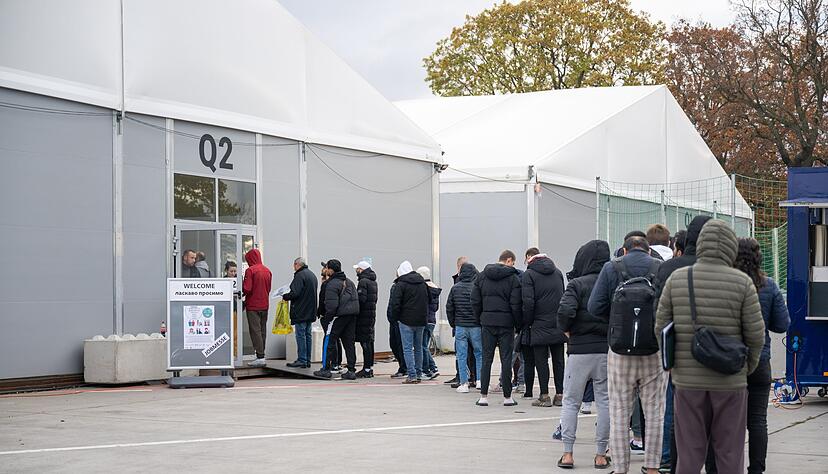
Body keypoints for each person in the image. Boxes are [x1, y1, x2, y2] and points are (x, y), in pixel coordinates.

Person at [655, 220, 765, 474]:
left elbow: (661, 327)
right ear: (730, 247)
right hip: (730, 382)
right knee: (729, 453)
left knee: (689, 454)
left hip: (687, 383)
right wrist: (746, 367)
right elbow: (756, 334)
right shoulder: (743, 283)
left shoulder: (678, 279)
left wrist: (672, 365)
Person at [704, 237, 790, 474]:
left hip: (727, 361)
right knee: (757, 420)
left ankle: (715, 468)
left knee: (720, 421)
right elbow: (782, 324)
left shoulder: (722, 284)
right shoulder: (769, 285)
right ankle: (757, 469)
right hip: (760, 360)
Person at [589, 236, 665, 474]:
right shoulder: (660, 267)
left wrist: (616, 322)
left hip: (620, 353)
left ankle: (621, 468)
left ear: (624, 249)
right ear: (649, 250)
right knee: (654, 413)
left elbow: (594, 306)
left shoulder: (612, 267)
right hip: (653, 351)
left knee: (620, 412)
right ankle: (652, 467)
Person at [651, 216, 709, 472]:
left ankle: (669, 460)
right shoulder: (727, 268)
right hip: (715, 354)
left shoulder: (668, 269)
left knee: (674, 412)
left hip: (678, 353)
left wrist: (667, 355)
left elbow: (659, 316)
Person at [555, 239, 612, 469]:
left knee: (571, 401)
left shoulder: (576, 284)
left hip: (578, 349)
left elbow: (564, 311)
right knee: (605, 402)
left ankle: (568, 453)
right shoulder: (611, 282)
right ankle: (600, 454)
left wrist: (567, 330)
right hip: (605, 350)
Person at [472, 250, 522, 407]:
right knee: (506, 359)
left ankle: (483, 397)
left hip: (487, 323)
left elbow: (475, 300)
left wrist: (480, 317)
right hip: (506, 324)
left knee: (486, 359)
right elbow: (516, 304)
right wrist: (517, 323)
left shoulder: (482, 276)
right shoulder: (513, 278)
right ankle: (507, 397)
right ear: (508, 260)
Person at [521, 247, 566, 407]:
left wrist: (527, 322)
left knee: (541, 361)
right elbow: (564, 296)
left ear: (530, 260)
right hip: (558, 323)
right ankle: (560, 395)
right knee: (559, 361)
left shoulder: (529, 274)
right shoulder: (558, 272)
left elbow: (528, 302)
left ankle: (544, 395)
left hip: (538, 324)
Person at [314, 259, 359, 380]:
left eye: (327, 268)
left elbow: (331, 306)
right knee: (349, 343)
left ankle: (325, 369)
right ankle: (351, 370)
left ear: (331, 270)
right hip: (351, 316)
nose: (326, 270)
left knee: (329, 341)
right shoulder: (349, 282)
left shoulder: (331, 284)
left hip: (337, 317)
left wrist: (327, 318)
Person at [389, 261, 429, 384]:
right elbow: (429, 300)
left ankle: (411, 375)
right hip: (421, 320)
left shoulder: (401, 284)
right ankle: (418, 373)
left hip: (406, 320)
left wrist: (395, 318)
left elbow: (395, 304)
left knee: (407, 348)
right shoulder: (422, 283)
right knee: (418, 348)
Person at [446, 262, 482, 393]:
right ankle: (480, 381)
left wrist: (453, 323)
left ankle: (464, 383)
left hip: (460, 326)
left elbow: (449, 307)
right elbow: (480, 306)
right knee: (479, 354)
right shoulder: (477, 287)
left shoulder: (455, 288)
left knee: (461, 355)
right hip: (476, 326)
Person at [282, 258, 318, 369]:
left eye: (294, 265)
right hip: (310, 311)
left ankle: (302, 359)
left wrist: (285, 296)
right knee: (307, 335)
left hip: (301, 311)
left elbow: (295, 293)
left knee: (301, 335)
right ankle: (307, 360)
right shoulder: (312, 275)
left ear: (297, 265)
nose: (293, 267)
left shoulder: (299, 275)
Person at [242, 249, 272, 368]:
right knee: (262, 330)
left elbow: (247, 289)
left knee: (255, 331)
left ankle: (259, 357)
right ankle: (262, 355)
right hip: (265, 304)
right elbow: (268, 288)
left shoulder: (251, 270)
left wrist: (241, 289)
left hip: (253, 305)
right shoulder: (267, 270)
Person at [354, 261, 378, 378]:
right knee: (369, 341)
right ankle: (369, 367)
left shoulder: (363, 282)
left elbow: (361, 300)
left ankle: (366, 369)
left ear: (361, 270)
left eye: (358, 269)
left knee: (365, 342)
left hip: (364, 316)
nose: (356, 271)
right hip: (371, 315)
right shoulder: (373, 282)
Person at [417, 266, 442, 379]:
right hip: (432, 320)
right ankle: (431, 368)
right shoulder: (435, 288)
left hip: (424, 319)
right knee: (424, 345)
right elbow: (435, 308)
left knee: (422, 345)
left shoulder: (423, 288)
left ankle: (430, 368)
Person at [387, 277, 408, 379]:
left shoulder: (401, 287)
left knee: (401, 345)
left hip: (400, 320)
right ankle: (403, 366)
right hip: (394, 319)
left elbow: (396, 304)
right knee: (394, 344)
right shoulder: (395, 286)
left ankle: (405, 368)